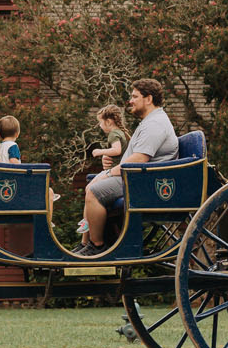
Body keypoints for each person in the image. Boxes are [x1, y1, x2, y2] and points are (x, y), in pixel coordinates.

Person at [74, 79, 178, 257]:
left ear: (149, 99)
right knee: (92, 185)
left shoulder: (155, 124)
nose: (131, 100)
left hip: (144, 182)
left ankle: (97, 246)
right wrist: (111, 164)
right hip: (137, 177)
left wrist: (108, 173)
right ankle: (88, 243)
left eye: (135, 96)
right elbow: (132, 156)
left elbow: (138, 159)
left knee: (93, 191)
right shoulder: (150, 122)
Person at [90, 104, 128, 171]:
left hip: (115, 170)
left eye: (100, 122)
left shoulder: (113, 134)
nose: (100, 125)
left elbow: (117, 150)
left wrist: (100, 151)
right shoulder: (121, 132)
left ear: (108, 122)